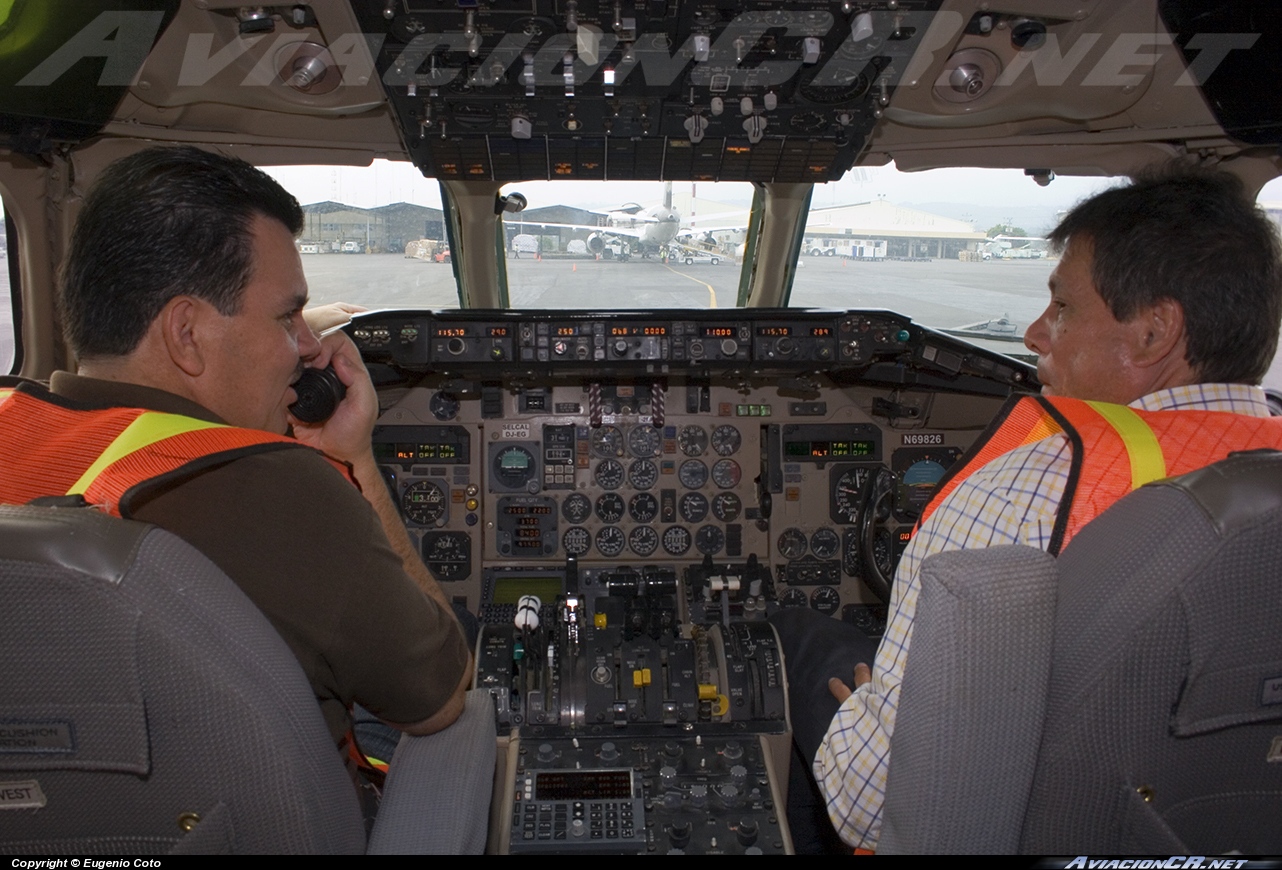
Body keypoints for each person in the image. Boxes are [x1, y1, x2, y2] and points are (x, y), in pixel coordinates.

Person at [772, 165, 1282, 852]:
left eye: (1063, 308)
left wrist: (872, 709)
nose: (1035, 333)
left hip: (1019, 816)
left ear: (1155, 333)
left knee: (791, 633)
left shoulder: (1025, 488)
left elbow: (870, 804)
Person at [0, 146, 472, 759]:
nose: (307, 345)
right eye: (288, 317)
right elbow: (439, 695)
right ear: (187, 334)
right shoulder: (273, 486)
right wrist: (354, 463)